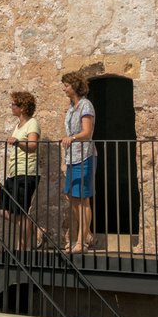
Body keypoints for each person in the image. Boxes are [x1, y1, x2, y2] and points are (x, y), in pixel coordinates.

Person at [0, 90, 41, 249]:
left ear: (22, 108)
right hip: (14, 172)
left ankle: (21, 248)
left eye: (14, 104)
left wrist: (17, 142)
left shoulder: (32, 123)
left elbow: (33, 146)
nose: (11, 106)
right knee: (2, 209)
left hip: (26, 172)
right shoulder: (18, 125)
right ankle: (34, 228)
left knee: (21, 212)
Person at [60, 71, 96, 254]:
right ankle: (87, 233)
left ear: (74, 86)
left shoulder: (85, 105)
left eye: (66, 85)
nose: (64, 88)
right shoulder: (71, 108)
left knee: (83, 199)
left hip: (85, 156)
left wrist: (71, 138)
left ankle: (81, 241)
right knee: (71, 196)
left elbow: (87, 132)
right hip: (72, 157)